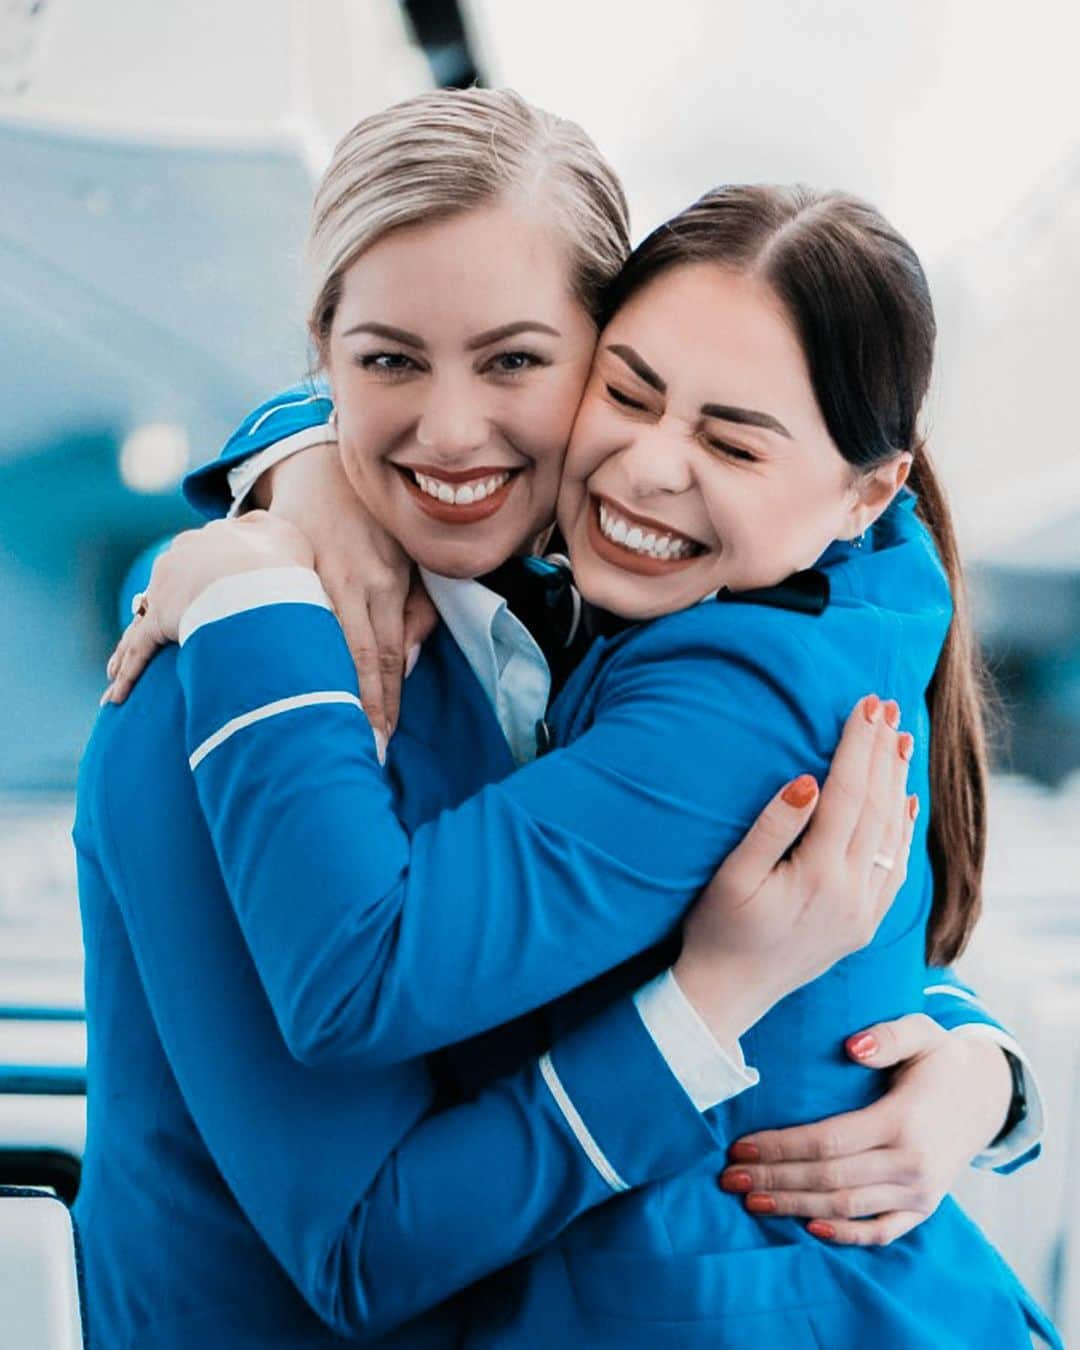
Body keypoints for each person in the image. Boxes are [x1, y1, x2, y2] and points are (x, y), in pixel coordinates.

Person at [98, 94, 1054, 1346]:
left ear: (594, 351)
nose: (451, 429)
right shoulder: (210, 677)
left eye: (516, 361)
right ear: (321, 359)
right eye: (388, 360)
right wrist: (274, 503)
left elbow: (756, 919)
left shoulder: (597, 614)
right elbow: (360, 1243)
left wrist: (975, 1068)